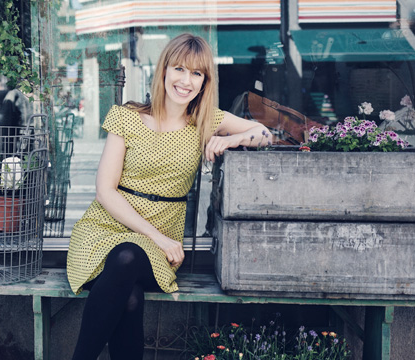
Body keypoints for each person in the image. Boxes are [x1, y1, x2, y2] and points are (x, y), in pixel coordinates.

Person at [66, 33, 272, 360]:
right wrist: (158, 238)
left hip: (157, 245)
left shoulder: (204, 121)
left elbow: (264, 133)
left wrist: (232, 140)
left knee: (129, 259)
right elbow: (105, 191)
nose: (185, 80)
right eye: (179, 69)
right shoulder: (127, 117)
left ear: (204, 82)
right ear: (164, 70)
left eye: (196, 73)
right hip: (103, 232)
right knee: (130, 294)